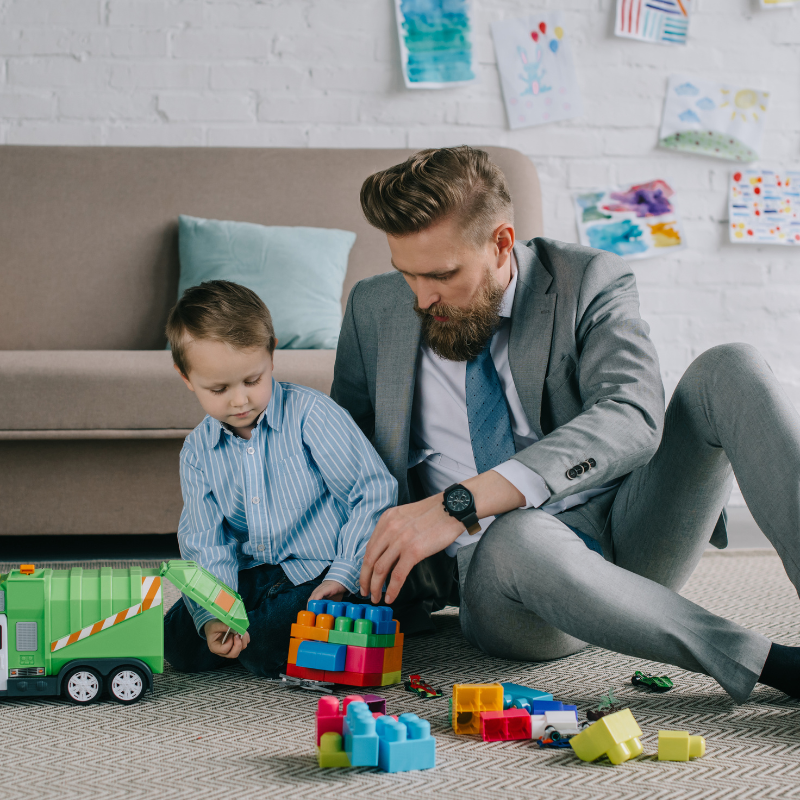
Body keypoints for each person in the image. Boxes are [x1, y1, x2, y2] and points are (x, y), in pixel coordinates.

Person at [331, 145, 800, 704]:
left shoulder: (589, 280)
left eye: (442, 274)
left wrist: (458, 503)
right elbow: (347, 458)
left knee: (732, 367)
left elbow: (632, 414)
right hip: (506, 577)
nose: (421, 296)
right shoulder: (372, 310)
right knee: (519, 533)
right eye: (406, 273)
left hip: (630, 531)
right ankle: (769, 663)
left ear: (502, 243)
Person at [163, 280, 397, 677]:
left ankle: (276, 638)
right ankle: (249, 639)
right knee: (178, 641)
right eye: (218, 389)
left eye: (252, 381)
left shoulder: (313, 416)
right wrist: (217, 613)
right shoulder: (198, 451)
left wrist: (344, 572)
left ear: (271, 355)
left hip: (322, 570)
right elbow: (206, 542)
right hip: (255, 575)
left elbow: (372, 492)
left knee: (268, 640)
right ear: (186, 377)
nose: (239, 401)